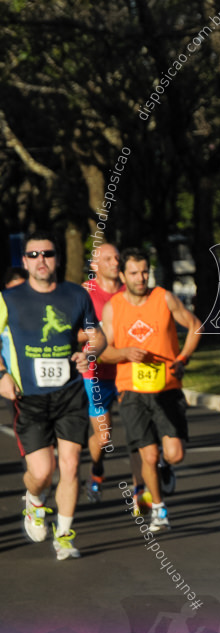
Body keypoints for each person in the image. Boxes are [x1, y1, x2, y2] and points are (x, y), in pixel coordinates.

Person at [0, 231, 106, 559]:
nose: (40, 260)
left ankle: (63, 535)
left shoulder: (76, 295)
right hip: (29, 397)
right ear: (24, 261)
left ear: (56, 258)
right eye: (33, 255)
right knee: (42, 473)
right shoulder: (8, 298)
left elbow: (97, 336)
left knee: (71, 466)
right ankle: (34, 501)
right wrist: (2, 375)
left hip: (69, 393)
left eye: (46, 254)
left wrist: (88, 354)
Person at [99, 248, 202, 531]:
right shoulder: (113, 307)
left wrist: (182, 359)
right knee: (148, 454)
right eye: (134, 273)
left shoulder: (163, 298)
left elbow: (195, 326)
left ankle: (165, 469)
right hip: (131, 390)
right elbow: (103, 351)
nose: (141, 278)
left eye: (145, 271)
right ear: (122, 275)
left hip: (166, 387)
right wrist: (124, 354)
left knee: (174, 454)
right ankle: (159, 509)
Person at [80, 243, 134, 502]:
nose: (115, 262)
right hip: (96, 374)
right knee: (104, 435)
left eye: (117, 257)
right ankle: (96, 470)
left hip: (129, 370)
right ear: (94, 265)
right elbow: (70, 331)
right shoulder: (84, 293)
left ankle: (144, 494)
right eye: (109, 258)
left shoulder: (130, 291)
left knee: (140, 434)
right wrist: (97, 332)